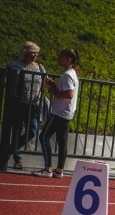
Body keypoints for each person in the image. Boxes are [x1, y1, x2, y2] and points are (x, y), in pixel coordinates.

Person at [31, 49, 79, 179]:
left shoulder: (67, 75)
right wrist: (53, 85)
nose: (59, 59)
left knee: (43, 136)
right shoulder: (73, 73)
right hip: (67, 112)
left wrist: (54, 92)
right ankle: (59, 170)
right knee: (61, 141)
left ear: (69, 59)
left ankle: (48, 169)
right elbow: (66, 91)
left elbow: (69, 94)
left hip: (60, 112)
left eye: (61, 57)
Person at [7, 42, 47, 170]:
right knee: (17, 130)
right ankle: (17, 158)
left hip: (34, 104)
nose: (35, 55)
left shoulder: (40, 67)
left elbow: (46, 82)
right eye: (33, 52)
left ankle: (9, 149)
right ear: (25, 52)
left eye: (36, 52)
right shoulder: (15, 65)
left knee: (32, 131)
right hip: (19, 104)